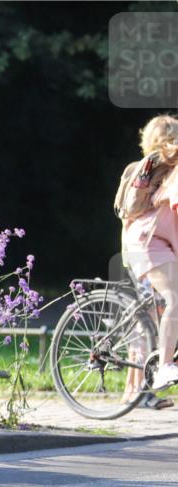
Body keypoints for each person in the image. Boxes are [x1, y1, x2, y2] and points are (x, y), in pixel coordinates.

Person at [116, 113, 178, 393]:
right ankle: (159, 372)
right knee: (171, 302)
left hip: (158, 244)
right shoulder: (157, 167)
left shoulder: (160, 167)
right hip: (146, 243)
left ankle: (147, 385)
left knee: (161, 313)